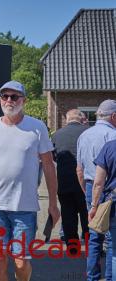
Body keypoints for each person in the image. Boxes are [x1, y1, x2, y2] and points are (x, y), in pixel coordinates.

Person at [0, 81, 60, 281]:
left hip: (24, 208)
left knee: (20, 260)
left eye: (14, 96)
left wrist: (53, 203)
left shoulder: (37, 127)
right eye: (5, 96)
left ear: (23, 100)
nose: (9, 100)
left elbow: (49, 166)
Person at [77, 99, 116, 281]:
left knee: (94, 235)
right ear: (113, 116)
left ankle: (92, 277)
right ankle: (109, 277)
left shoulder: (84, 135)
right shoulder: (113, 136)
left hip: (91, 186)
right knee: (110, 239)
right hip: (109, 189)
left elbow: (79, 169)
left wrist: (86, 191)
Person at [51, 109, 89, 254]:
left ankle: (73, 248)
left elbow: (53, 157)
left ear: (67, 119)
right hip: (84, 182)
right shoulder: (88, 132)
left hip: (64, 181)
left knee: (68, 215)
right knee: (87, 216)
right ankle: (92, 247)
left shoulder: (57, 135)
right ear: (81, 118)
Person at [90, 138, 116, 278]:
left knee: (114, 246)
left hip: (114, 200)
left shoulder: (110, 147)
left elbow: (98, 182)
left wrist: (94, 206)